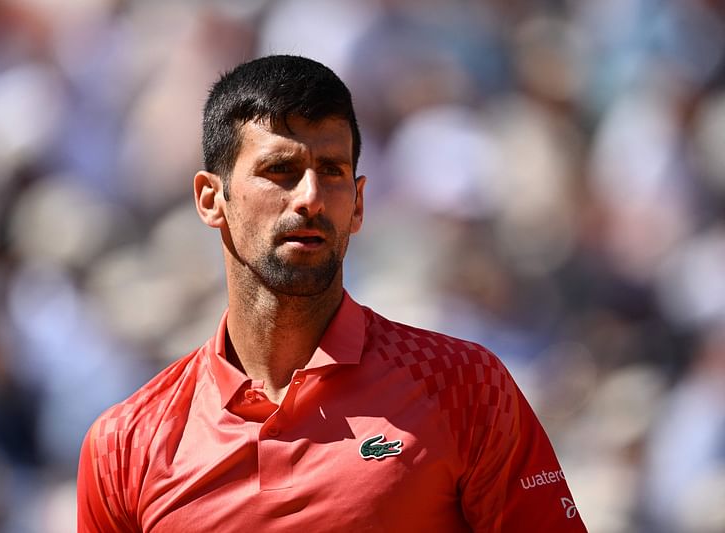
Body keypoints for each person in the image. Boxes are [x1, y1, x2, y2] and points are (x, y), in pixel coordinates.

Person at [76, 54, 587, 532]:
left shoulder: (465, 387)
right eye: (280, 170)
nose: (311, 197)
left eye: (332, 171)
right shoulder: (126, 443)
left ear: (359, 203)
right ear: (212, 199)